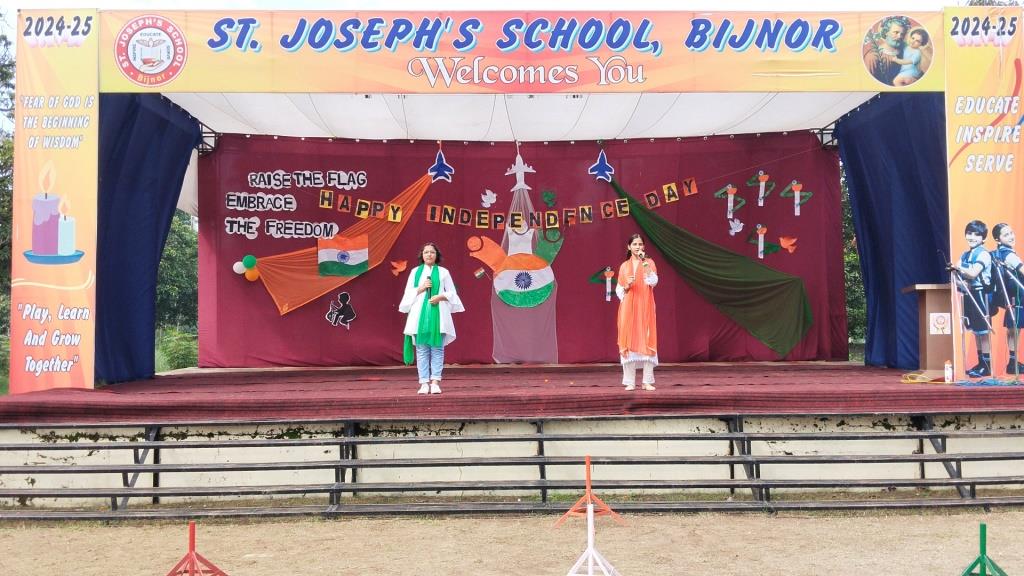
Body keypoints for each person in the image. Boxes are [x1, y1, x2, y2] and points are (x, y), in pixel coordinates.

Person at [399, 243, 464, 394]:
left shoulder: (443, 272)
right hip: (419, 316)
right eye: (426, 252)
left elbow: (452, 293)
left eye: (432, 252)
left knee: (437, 349)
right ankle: (423, 383)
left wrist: (441, 297)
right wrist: (421, 288)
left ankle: (435, 382)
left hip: (438, 315)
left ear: (436, 255)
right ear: (422, 255)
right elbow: (407, 294)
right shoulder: (415, 272)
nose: (429, 255)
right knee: (421, 350)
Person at [616, 234, 659, 391]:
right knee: (628, 339)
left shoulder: (649, 262)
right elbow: (619, 290)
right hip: (628, 307)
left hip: (645, 305)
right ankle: (629, 381)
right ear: (629, 247)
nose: (638, 247)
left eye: (640, 244)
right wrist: (627, 285)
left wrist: (644, 262)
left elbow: (653, 281)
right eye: (634, 244)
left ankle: (647, 381)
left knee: (647, 338)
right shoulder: (624, 266)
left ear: (643, 247)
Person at [956, 220, 993, 377]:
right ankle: (981, 363)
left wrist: (958, 269)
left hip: (981, 294)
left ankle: (987, 365)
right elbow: (956, 277)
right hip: (968, 294)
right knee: (976, 331)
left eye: (977, 234)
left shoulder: (983, 254)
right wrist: (960, 278)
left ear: (983, 238)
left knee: (983, 331)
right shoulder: (965, 254)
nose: (972, 237)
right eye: (969, 233)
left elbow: (972, 273)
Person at [990, 223, 1024, 373]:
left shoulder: (997, 254)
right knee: (1015, 330)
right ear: (998, 239)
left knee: (1013, 329)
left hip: (1010, 296)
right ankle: (1013, 363)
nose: (1011, 236)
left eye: (1011, 233)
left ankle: (1012, 362)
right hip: (1017, 295)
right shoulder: (1009, 255)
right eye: (1006, 235)